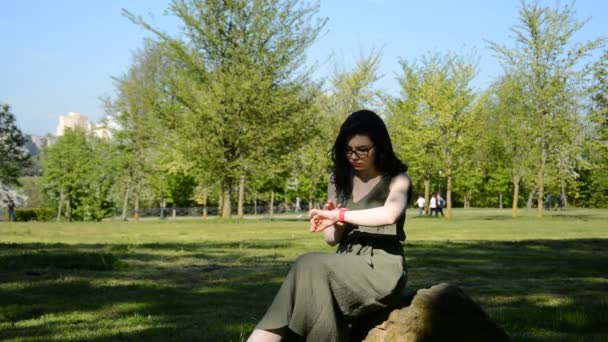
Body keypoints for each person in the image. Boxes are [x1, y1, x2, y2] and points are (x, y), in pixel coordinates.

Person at [248, 110, 410, 341]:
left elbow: (390, 214)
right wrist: (333, 220)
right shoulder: (338, 179)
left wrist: (340, 215)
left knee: (309, 264)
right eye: (348, 150)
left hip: (381, 269)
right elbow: (331, 239)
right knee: (308, 274)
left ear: (380, 146)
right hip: (344, 260)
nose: (354, 156)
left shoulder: (397, 178)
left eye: (362, 149)